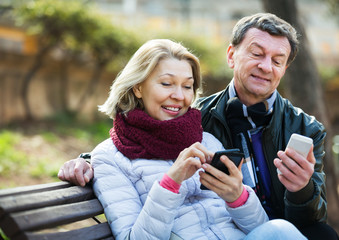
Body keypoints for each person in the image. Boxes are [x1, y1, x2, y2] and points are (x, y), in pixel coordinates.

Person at [59, 13, 338, 239]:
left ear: (285, 69)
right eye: (256, 54)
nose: (266, 67)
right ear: (231, 56)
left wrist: (296, 189)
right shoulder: (200, 117)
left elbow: (306, 216)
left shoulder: (303, 128)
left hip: (271, 222)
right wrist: (85, 161)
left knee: (314, 233)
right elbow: (128, 147)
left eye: (277, 61)